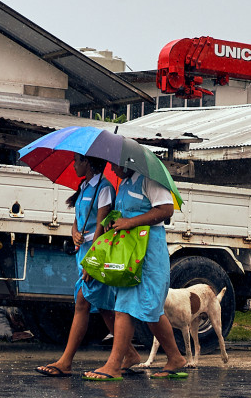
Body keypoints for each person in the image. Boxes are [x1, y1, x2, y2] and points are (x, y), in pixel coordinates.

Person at [83, 164, 187, 381]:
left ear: (129, 161)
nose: (112, 168)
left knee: (148, 309)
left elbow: (166, 210)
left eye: (115, 164)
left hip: (148, 255)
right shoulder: (124, 184)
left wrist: (130, 222)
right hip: (129, 254)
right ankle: (174, 358)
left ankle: (115, 364)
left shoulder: (150, 180)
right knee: (128, 306)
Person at [36, 154, 124, 377]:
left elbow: (101, 229)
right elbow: (78, 219)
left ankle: (66, 361)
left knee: (83, 302)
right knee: (102, 305)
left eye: (77, 161)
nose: (74, 165)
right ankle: (130, 353)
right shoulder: (84, 186)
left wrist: (92, 262)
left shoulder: (104, 189)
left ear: (88, 163)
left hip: (95, 253)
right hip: (81, 252)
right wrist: (74, 232)